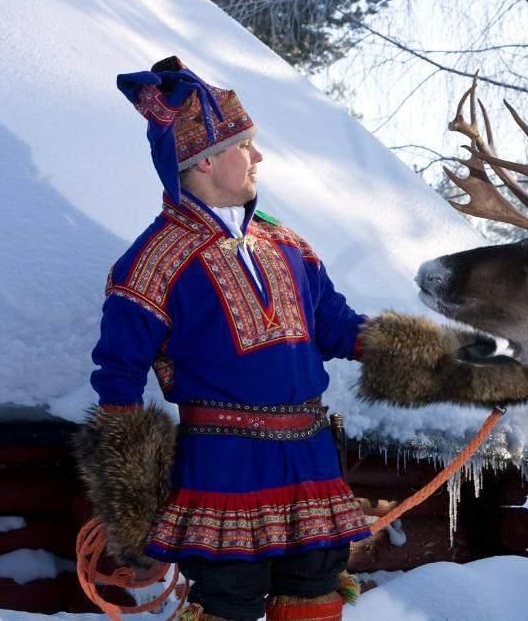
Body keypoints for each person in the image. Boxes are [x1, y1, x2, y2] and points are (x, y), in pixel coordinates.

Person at [84, 56, 369, 621]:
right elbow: (117, 382)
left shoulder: (289, 245)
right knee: (229, 601)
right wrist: (135, 506)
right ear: (207, 160)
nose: (258, 156)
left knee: (315, 593)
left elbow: (337, 327)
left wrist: (444, 360)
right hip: (221, 467)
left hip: (310, 457)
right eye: (245, 145)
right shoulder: (148, 265)